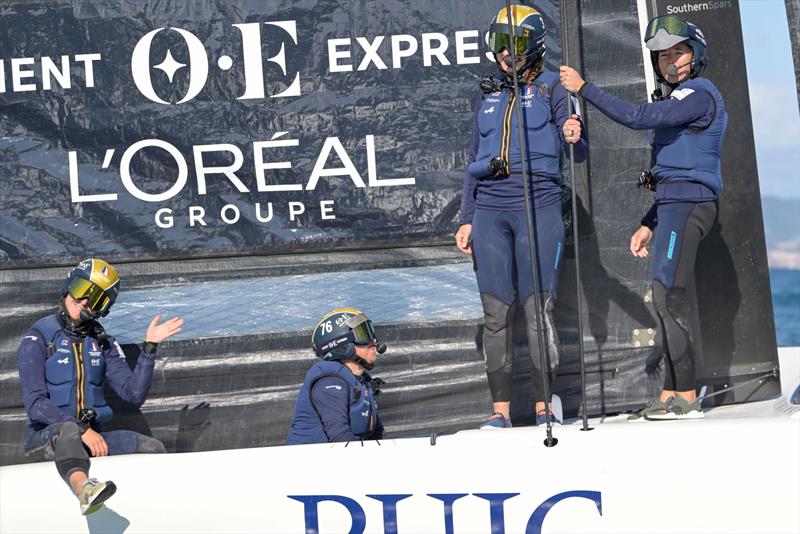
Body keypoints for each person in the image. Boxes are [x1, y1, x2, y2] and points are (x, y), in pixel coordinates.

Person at [560, 15, 727, 420]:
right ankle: (671, 391)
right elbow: (668, 177)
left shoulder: (699, 93)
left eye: (678, 53)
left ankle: (686, 395)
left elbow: (637, 118)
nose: (670, 62)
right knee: (663, 295)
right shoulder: (675, 100)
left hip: (690, 206)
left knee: (670, 296)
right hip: (672, 207)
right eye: (663, 56)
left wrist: (585, 89)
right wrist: (649, 223)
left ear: (696, 55)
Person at [455, 5, 588, 428]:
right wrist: (466, 216)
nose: (503, 53)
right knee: (495, 314)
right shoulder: (486, 93)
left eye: (512, 44)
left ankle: (545, 405)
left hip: (538, 206)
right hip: (490, 213)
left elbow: (579, 150)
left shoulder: (554, 88)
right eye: (497, 44)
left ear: (533, 45)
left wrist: (574, 130)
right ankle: (499, 415)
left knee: (537, 310)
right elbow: (475, 157)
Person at [17, 258, 184, 514]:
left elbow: (133, 393)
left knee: (151, 447)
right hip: (50, 438)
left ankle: (157, 515)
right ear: (69, 285)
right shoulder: (38, 336)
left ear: (103, 309)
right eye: (82, 289)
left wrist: (150, 347)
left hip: (93, 438)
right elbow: (36, 404)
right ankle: (84, 490)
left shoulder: (103, 342)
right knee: (67, 432)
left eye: (95, 299)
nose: (83, 301)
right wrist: (81, 429)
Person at [287, 308, 385, 445]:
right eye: (364, 334)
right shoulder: (329, 381)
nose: (374, 341)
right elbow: (340, 437)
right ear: (342, 344)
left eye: (370, 331)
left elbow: (378, 435)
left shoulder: (364, 381)